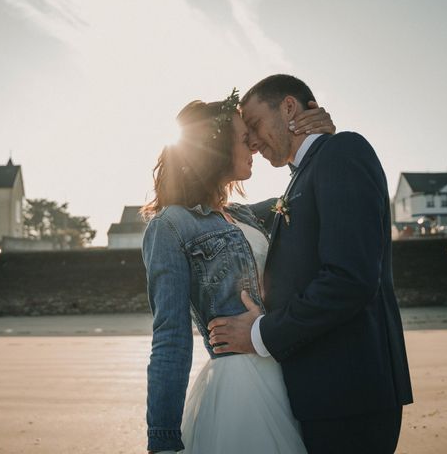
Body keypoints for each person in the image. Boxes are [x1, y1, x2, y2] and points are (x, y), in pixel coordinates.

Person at [208, 74, 414, 454]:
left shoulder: (343, 152)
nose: (252, 141)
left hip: (350, 396)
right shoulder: (304, 176)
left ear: (289, 107)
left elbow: (349, 279)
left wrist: (259, 334)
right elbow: (241, 213)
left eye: (254, 125)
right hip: (322, 394)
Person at [140, 89, 335, 453]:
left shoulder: (249, 214)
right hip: (239, 389)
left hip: (289, 373)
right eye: (246, 140)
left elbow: (306, 189)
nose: (255, 148)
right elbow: (170, 337)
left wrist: (318, 137)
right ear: (214, 151)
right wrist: (162, 438)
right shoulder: (171, 225)